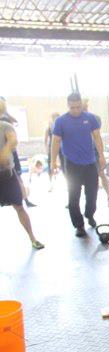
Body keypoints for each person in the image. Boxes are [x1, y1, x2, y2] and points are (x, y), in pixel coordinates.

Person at [51, 92, 105, 237]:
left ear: (82, 105)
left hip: (90, 162)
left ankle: (89, 214)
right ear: (67, 105)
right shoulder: (61, 121)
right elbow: (55, 142)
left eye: (78, 107)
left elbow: (97, 137)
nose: (75, 110)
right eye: (72, 107)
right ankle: (79, 225)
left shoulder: (90, 118)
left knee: (92, 193)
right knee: (74, 196)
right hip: (72, 164)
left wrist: (102, 156)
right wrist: (53, 161)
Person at [0, 99, 44, 249]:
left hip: (6, 175)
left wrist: (5, 152)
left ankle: (33, 238)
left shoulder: (5, 126)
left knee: (19, 206)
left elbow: (13, 140)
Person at [0, 96, 36, 207]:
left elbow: (13, 139)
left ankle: (24, 199)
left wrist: (5, 152)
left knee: (17, 176)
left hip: (9, 156)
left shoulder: (6, 121)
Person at [82, 99, 109, 207]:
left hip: (94, 151)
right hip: (82, 153)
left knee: (101, 174)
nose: (84, 109)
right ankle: (89, 203)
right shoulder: (74, 120)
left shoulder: (94, 118)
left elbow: (97, 136)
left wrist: (101, 155)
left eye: (85, 106)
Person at [44, 112, 60, 190]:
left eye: (57, 117)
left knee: (64, 165)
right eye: (54, 118)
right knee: (51, 165)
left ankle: (68, 183)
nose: (56, 119)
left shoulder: (61, 126)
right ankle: (50, 183)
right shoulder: (49, 128)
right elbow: (45, 140)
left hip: (61, 147)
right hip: (52, 148)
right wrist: (47, 149)